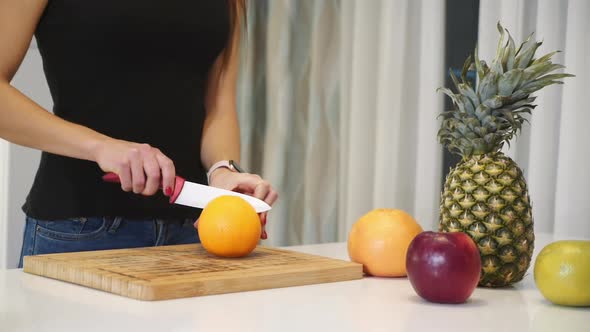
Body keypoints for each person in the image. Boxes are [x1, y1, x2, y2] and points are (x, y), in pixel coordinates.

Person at [0, 0, 277, 268]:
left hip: (194, 235)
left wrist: (222, 170)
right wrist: (100, 147)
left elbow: (219, 105)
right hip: (79, 231)